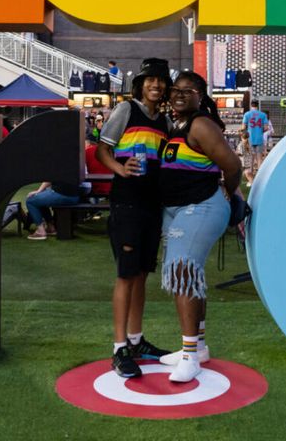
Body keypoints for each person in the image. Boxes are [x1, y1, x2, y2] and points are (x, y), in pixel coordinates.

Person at [155, 71, 241, 383]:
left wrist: (230, 195)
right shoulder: (175, 124)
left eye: (188, 90)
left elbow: (233, 166)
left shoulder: (201, 124)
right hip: (178, 209)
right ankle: (198, 346)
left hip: (202, 206)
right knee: (189, 275)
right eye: (176, 89)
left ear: (201, 96)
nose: (179, 94)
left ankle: (190, 356)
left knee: (182, 272)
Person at [95, 58, 173, 378]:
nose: (156, 85)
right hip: (126, 205)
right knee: (126, 275)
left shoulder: (165, 121)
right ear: (140, 84)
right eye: (150, 80)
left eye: (161, 81)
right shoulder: (127, 110)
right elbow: (102, 150)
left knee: (141, 274)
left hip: (152, 207)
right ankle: (119, 348)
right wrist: (120, 169)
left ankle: (137, 341)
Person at [24, 175, 82, 240]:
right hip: (75, 198)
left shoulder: (55, 165)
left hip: (61, 195)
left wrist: (38, 191)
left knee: (30, 201)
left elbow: (49, 179)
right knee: (40, 200)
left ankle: (40, 231)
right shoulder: (74, 164)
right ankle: (50, 228)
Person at [243, 100, 268, 173]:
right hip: (259, 138)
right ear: (258, 105)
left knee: (251, 158)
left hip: (250, 139)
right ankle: (260, 175)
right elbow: (266, 128)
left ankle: (250, 176)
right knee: (259, 158)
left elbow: (243, 127)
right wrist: (260, 131)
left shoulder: (247, 114)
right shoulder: (263, 115)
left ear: (251, 105)